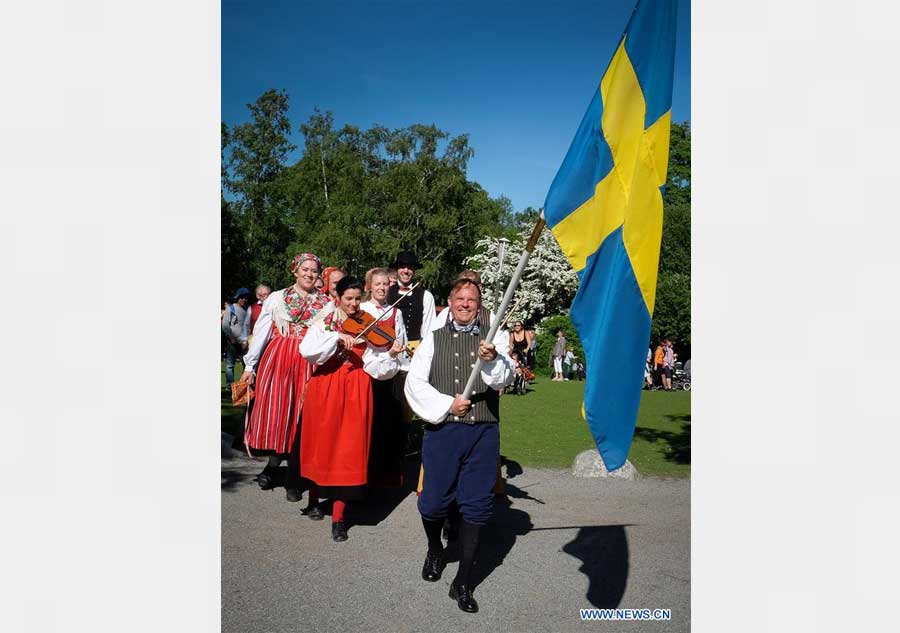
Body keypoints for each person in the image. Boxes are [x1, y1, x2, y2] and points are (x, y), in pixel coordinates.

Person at [405, 278, 515, 614]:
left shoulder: (494, 335)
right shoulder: (433, 339)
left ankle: (464, 581)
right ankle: (435, 549)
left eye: (472, 299)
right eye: (460, 298)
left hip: (483, 432)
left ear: (479, 303)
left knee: (477, 506)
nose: (466, 304)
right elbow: (414, 383)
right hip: (443, 432)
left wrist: (493, 359)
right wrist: (446, 406)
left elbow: (505, 378)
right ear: (450, 301)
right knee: (433, 504)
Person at [299, 276, 403, 541]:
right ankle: (313, 498)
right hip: (326, 388)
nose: (354, 305)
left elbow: (375, 366)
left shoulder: (367, 323)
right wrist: (336, 337)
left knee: (349, 451)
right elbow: (308, 350)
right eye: (349, 299)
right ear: (339, 297)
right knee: (321, 446)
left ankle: (338, 518)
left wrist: (390, 355)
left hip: (357, 387)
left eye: (358, 298)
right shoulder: (326, 319)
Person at [240, 253, 328, 502]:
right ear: (295, 271)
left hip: (308, 362)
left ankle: (294, 477)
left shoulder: (325, 303)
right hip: (278, 360)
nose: (310, 274)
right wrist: (250, 365)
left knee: (302, 417)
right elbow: (261, 332)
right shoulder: (277, 299)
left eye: (314, 270)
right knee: (279, 413)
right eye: (305, 269)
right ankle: (272, 466)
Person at [361, 269, 409, 487]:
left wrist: (399, 353)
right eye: (377, 284)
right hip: (366, 375)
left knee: (387, 428)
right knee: (367, 428)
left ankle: (382, 478)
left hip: (389, 375)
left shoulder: (395, 312)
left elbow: (401, 341)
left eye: (385, 284)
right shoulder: (362, 311)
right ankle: (364, 477)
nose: (381, 288)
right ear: (369, 286)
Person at [387, 251, 436, 422]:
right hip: (388, 352)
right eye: (402, 267)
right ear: (397, 270)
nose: (406, 271)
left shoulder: (426, 296)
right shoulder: (385, 292)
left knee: (407, 402)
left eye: (409, 267)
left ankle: (407, 437)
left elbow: (430, 330)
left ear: (414, 270)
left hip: (412, 355)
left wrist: (423, 356)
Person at [222, 288, 251, 389]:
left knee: (245, 364)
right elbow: (225, 325)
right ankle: (229, 386)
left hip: (244, 342)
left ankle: (243, 385)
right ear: (238, 298)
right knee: (230, 364)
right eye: (242, 298)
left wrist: (247, 340)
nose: (245, 300)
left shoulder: (247, 310)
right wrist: (231, 338)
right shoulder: (231, 309)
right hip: (232, 342)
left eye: (246, 298)